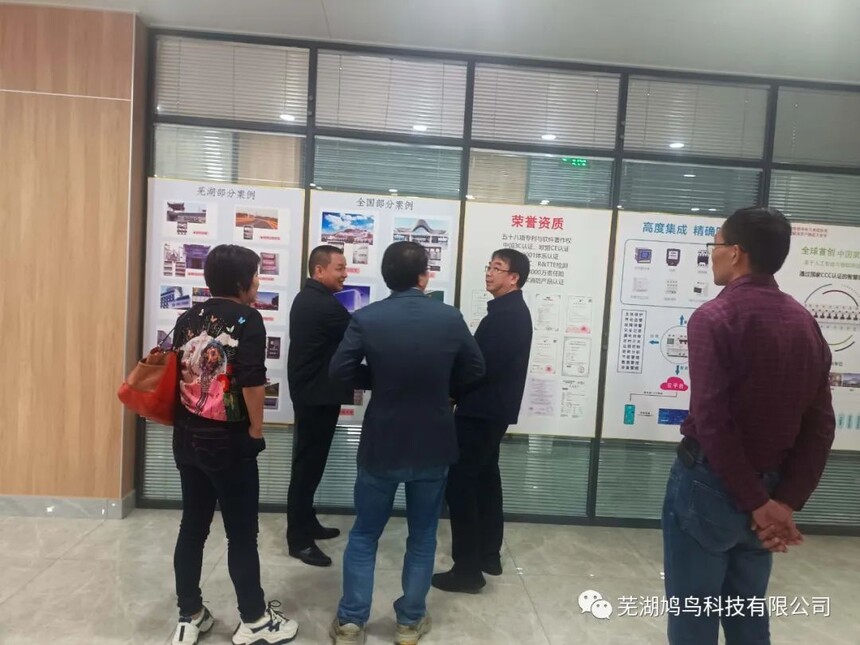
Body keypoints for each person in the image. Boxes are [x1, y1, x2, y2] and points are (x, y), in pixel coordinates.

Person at [662, 207, 835, 645]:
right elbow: (820, 426)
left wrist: (757, 504)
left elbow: (713, 422)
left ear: (736, 252)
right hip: (772, 489)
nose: (713, 254)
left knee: (694, 617)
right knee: (748, 615)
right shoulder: (805, 323)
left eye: (716, 245)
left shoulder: (714, 317)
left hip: (710, 487)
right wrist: (783, 502)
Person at [327, 241, 485, 645]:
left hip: (382, 441)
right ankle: (409, 623)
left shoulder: (367, 318)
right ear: (423, 277)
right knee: (423, 535)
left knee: (364, 533)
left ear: (386, 277)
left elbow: (340, 371)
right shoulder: (449, 317)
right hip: (434, 440)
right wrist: (445, 390)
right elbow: (475, 367)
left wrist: (378, 379)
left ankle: (351, 622)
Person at [170, 244, 297, 645]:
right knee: (241, 535)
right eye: (256, 275)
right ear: (242, 282)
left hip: (186, 436)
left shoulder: (188, 317)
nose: (258, 281)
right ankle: (255, 620)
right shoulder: (248, 318)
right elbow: (252, 381)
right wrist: (256, 430)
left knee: (192, 527)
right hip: (228, 442)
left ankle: (189, 615)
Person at [432, 249, 533, 594]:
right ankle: (489, 554)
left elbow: (479, 368)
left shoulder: (508, 316)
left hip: (481, 411)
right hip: (491, 410)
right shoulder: (507, 311)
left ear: (514, 278)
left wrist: (452, 393)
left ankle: (467, 570)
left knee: (461, 484)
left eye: (498, 268)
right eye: (489, 266)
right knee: (486, 479)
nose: (489, 272)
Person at [286, 245, 352, 567]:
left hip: (314, 395)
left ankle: (307, 521)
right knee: (306, 468)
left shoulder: (309, 298)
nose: (345, 274)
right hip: (315, 397)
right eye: (339, 268)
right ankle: (298, 539)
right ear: (319, 270)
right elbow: (360, 332)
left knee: (310, 465)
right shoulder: (323, 305)